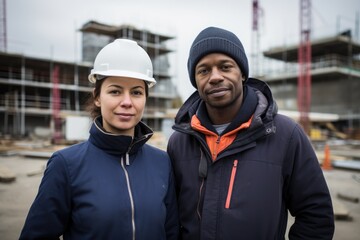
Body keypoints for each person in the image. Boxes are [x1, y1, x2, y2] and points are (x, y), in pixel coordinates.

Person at [167, 26, 334, 239]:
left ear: (243, 73)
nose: (215, 77)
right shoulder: (178, 143)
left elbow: (316, 216)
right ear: (195, 81)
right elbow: (171, 219)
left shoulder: (286, 135)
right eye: (204, 70)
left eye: (225, 67)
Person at [20, 39, 179, 240]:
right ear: (97, 97)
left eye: (137, 92)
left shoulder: (162, 163)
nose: (127, 102)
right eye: (115, 91)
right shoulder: (66, 165)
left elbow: (172, 232)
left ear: (145, 98)